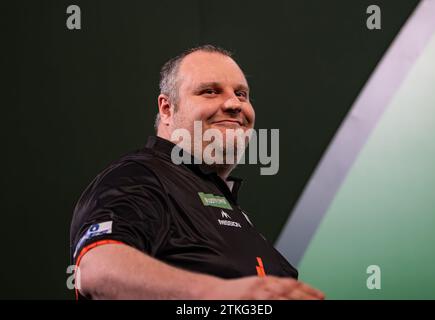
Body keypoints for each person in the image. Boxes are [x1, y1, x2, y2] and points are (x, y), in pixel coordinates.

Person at [70, 45, 324, 300]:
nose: (234, 104)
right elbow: (94, 269)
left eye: (242, 94)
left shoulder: (225, 207)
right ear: (167, 109)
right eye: (210, 91)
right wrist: (217, 292)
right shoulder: (140, 177)